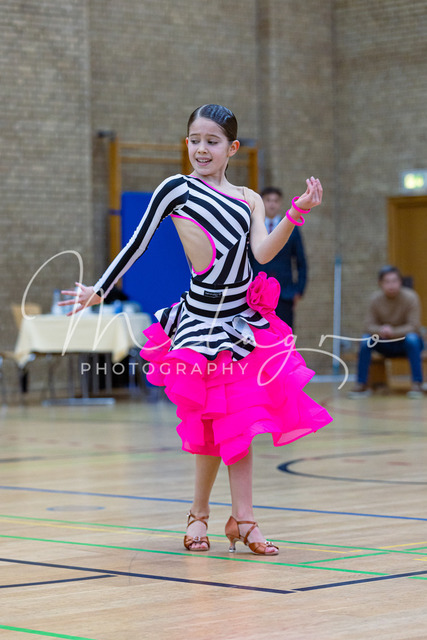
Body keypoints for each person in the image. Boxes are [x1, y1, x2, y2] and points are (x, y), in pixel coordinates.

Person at [61, 104, 332, 556]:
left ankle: (244, 519)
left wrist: (295, 212)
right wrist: (100, 289)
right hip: (200, 326)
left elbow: (262, 254)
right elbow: (137, 242)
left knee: (241, 423)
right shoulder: (177, 189)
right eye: (195, 140)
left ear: (232, 148)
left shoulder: (248, 198)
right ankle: (199, 513)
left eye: (212, 141)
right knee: (209, 424)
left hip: (242, 325)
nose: (201, 149)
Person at [349, 265, 424, 398]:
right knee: (365, 340)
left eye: (394, 281)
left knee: (412, 339)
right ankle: (361, 384)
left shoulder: (411, 297)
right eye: (387, 282)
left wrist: (393, 331)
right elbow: (368, 325)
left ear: (400, 282)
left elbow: (414, 326)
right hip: (384, 342)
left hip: (405, 343)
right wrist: (381, 330)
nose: (391, 285)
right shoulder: (375, 299)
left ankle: (417, 383)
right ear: (380, 283)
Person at [250, 186, 307, 328]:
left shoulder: (292, 228)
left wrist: (299, 290)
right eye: (268, 200)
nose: (272, 204)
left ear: (280, 203)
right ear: (262, 202)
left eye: (275, 201)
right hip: (257, 292)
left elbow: (301, 261)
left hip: (284, 292)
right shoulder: (253, 228)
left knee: (283, 333)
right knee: (259, 334)